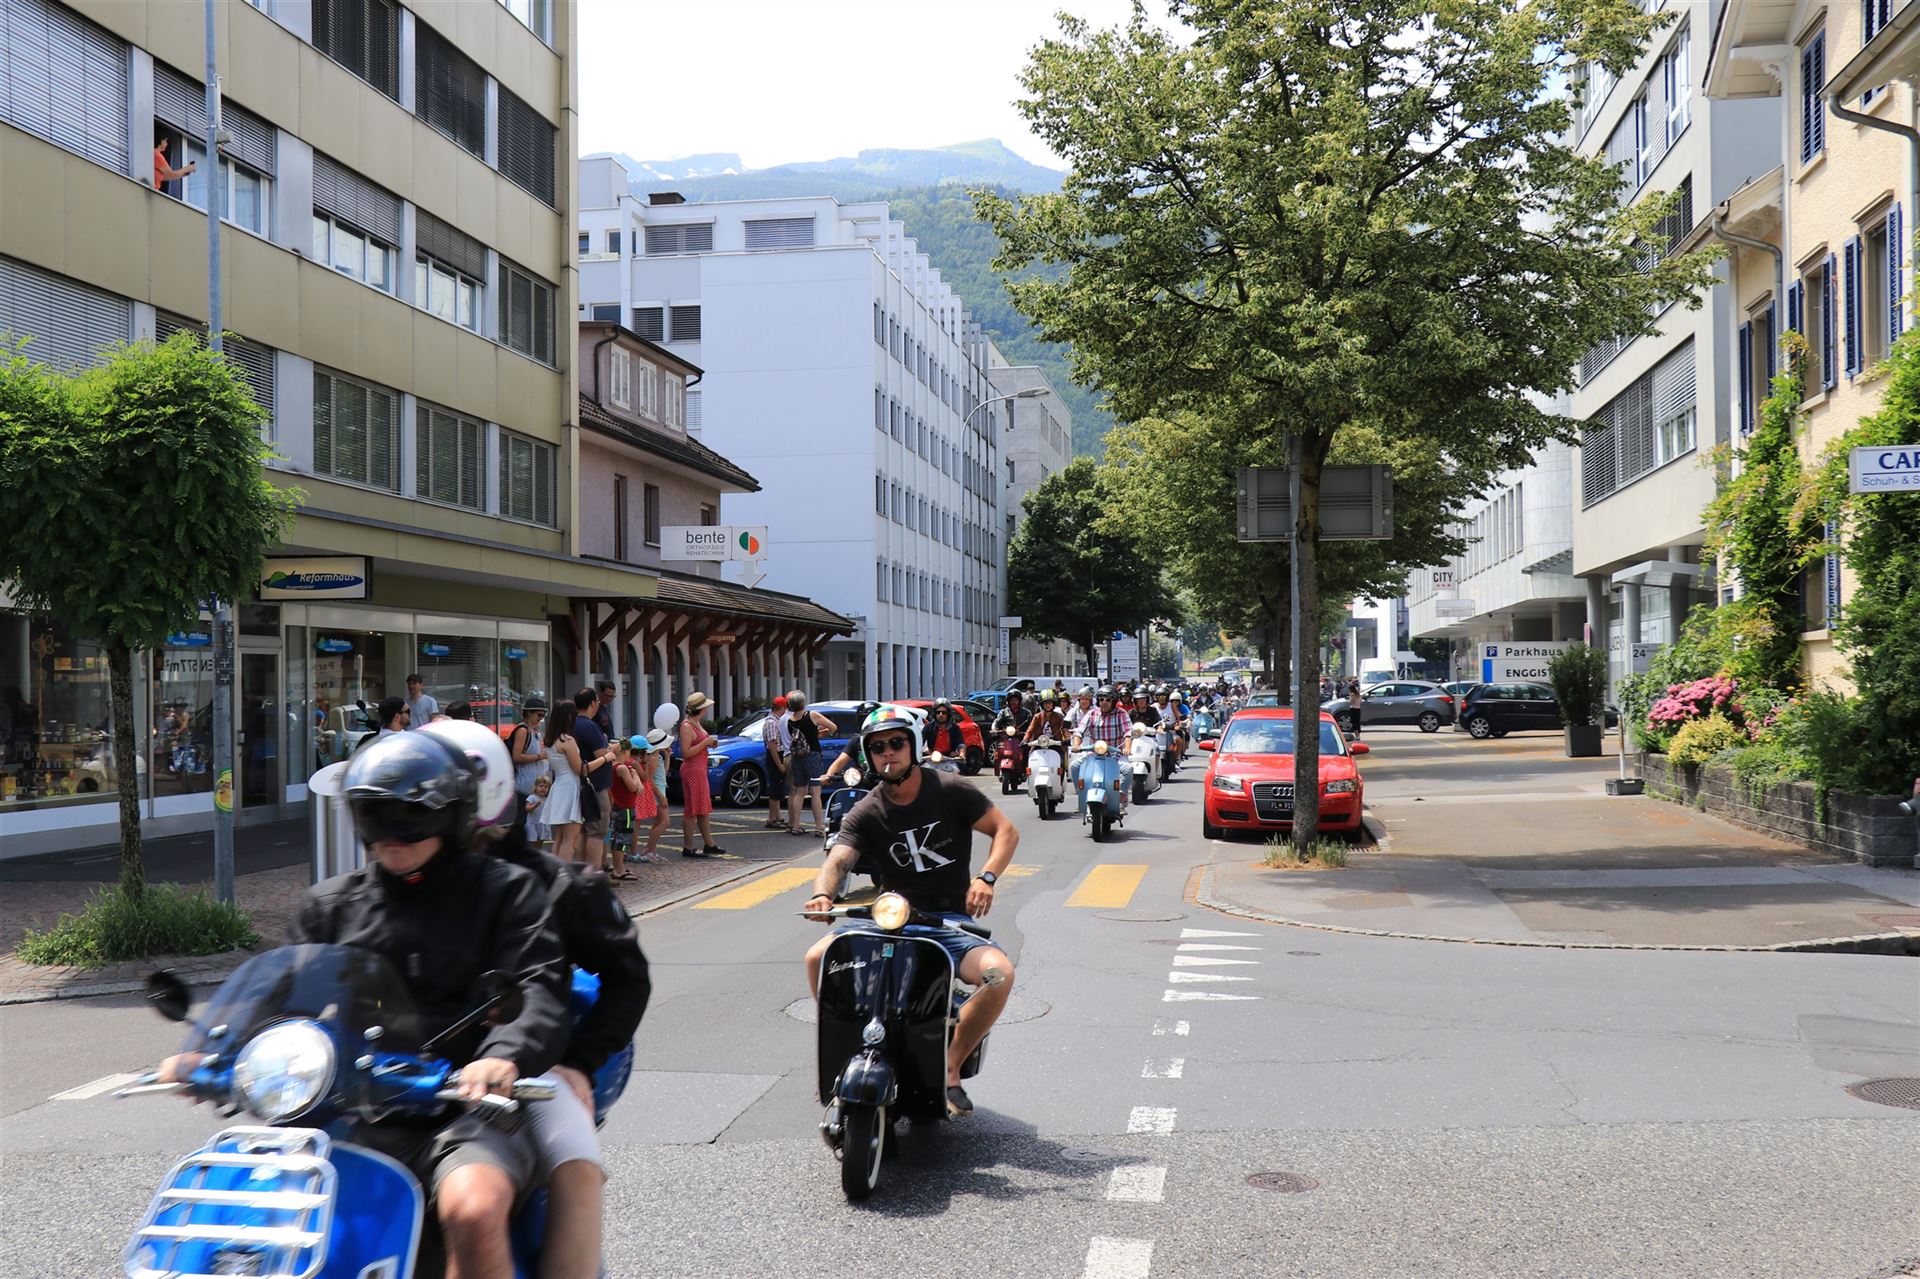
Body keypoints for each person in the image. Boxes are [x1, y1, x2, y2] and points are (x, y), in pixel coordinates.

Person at [164, 732, 572, 1279]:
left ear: (452, 817)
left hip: (463, 1107)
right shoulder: (331, 905)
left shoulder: (507, 892)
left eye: (409, 818)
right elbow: (276, 997)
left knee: (472, 1207)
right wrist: (218, 1049)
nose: (389, 835)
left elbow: (538, 985)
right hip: (342, 1111)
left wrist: (502, 1056)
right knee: (242, 1219)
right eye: (374, 818)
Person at [420, 719, 651, 1279]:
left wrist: (579, 1062)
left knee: (572, 1164)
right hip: (421, 1070)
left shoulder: (560, 887)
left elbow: (628, 979)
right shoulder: (399, 883)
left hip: (540, 1061)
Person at [802, 706, 1020, 1116]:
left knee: (999, 974)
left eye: (896, 743)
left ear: (913, 745)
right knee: (818, 958)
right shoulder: (868, 809)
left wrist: (986, 878)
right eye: (878, 747)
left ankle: (950, 1066)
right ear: (869, 756)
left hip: (947, 922)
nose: (888, 752)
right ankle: (845, 1047)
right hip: (891, 920)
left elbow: (1005, 831)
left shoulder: (950, 789)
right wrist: (823, 895)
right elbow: (839, 859)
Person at [572, 689, 615, 868]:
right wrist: (612, 752)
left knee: (583, 830)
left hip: (580, 784)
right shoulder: (589, 726)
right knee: (597, 831)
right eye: (597, 701)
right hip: (595, 784)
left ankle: (581, 870)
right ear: (592, 703)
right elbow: (601, 754)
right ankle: (593, 872)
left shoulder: (572, 724)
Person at [678, 692, 723, 857]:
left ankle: (709, 843)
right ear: (701, 709)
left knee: (702, 808)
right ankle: (688, 846)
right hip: (693, 770)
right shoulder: (687, 726)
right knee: (692, 809)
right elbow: (686, 753)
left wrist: (709, 744)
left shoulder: (695, 723)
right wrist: (705, 742)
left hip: (699, 769)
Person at [784, 691, 835, 838]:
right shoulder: (812, 715)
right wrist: (823, 733)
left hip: (797, 757)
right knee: (816, 792)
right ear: (803, 703)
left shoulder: (790, 720)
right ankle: (819, 827)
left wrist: (815, 734)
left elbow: (800, 737)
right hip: (812, 754)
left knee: (799, 791)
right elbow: (833, 727)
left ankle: (795, 825)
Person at [541, 706, 585, 863]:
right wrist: (605, 758)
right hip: (570, 787)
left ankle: (556, 872)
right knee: (569, 839)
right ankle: (564, 873)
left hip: (559, 785)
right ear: (569, 717)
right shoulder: (567, 740)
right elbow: (580, 769)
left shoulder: (550, 740)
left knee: (559, 838)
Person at [604, 738, 641, 880]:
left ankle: (618, 867)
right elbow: (633, 787)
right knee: (622, 839)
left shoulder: (612, 766)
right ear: (625, 752)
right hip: (626, 807)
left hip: (616, 806)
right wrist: (635, 775)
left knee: (616, 837)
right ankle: (619, 869)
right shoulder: (622, 768)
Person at [633, 728, 672, 863]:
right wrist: (660, 796)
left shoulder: (657, 757)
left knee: (658, 822)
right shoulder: (653, 758)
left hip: (661, 789)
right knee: (665, 822)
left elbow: (662, 773)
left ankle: (652, 850)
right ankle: (648, 849)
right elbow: (650, 779)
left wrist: (667, 757)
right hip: (658, 791)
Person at [508, 698, 550, 799]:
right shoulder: (523, 730)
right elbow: (517, 757)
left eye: (543, 716)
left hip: (536, 786)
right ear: (528, 713)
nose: (541, 718)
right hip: (525, 787)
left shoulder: (535, 731)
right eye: (539, 715)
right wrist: (540, 756)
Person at [761, 695, 792, 829]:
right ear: (782, 708)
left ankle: (777, 816)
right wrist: (779, 765)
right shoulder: (772, 723)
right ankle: (772, 818)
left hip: (778, 754)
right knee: (775, 787)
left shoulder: (776, 720)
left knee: (779, 787)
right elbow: (772, 745)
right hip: (775, 756)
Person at [524, 773, 553, 852]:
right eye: (541, 786)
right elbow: (527, 808)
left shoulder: (547, 799)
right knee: (532, 842)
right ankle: (531, 854)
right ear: (536, 787)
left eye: (546, 787)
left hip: (542, 823)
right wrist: (534, 806)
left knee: (540, 841)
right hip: (533, 823)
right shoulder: (532, 797)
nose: (543, 788)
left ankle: (538, 853)